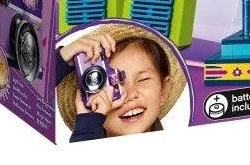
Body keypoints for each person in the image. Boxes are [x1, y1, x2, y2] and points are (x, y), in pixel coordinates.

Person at [55, 24, 187, 141]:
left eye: (143, 79)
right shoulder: (85, 134)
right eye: (114, 83)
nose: (131, 94)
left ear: (164, 90)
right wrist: (60, 59)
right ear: (87, 98)